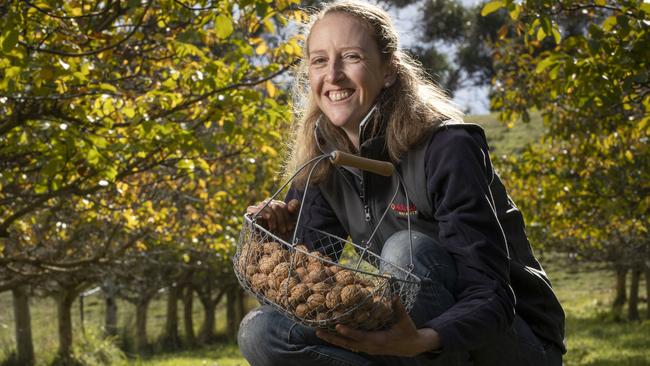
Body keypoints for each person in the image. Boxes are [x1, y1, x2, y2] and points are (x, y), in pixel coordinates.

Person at [238, 1, 566, 365]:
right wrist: (277, 241)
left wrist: (421, 340)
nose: (333, 75)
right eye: (319, 61)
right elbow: (307, 293)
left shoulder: (448, 147)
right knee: (263, 331)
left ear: (390, 70)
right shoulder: (324, 160)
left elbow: (492, 298)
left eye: (350, 57)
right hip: (407, 338)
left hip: (510, 343)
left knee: (406, 251)